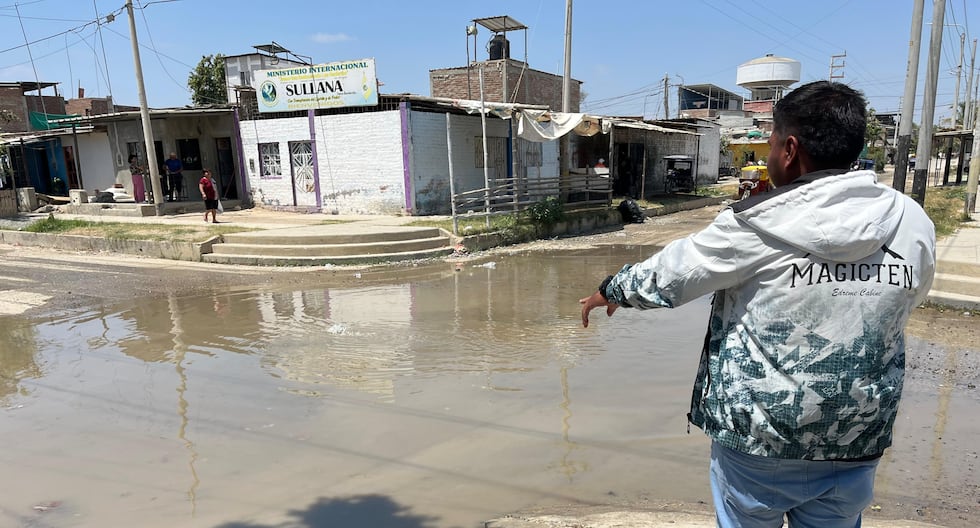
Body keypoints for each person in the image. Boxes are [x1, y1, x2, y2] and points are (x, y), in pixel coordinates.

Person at [580, 81, 936, 528]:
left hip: (761, 439)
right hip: (857, 435)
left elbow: (674, 274)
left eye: (768, 145)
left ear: (789, 149)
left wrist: (611, 290)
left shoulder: (756, 222)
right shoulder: (911, 220)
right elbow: (912, 298)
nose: (766, 158)